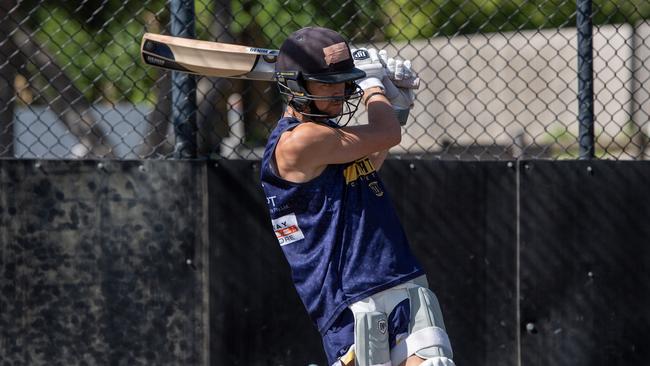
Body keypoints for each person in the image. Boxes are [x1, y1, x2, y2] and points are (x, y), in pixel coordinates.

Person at [260, 26, 455, 366]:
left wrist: (396, 105)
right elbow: (386, 134)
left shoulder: (326, 134)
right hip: (350, 303)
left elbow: (372, 155)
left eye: (343, 80)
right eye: (326, 82)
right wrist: (373, 85)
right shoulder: (298, 142)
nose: (338, 91)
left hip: (397, 279)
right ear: (294, 85)